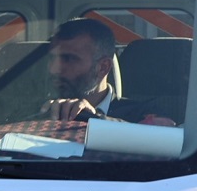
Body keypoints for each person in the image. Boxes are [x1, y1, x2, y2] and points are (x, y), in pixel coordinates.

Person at [41, 19, 177, 126]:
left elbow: (163, 138)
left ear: (103, 67)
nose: (53, 69)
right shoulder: (40, 110)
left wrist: (94, 119)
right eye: (52, 58)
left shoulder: (143, 113)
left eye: (69, 59)